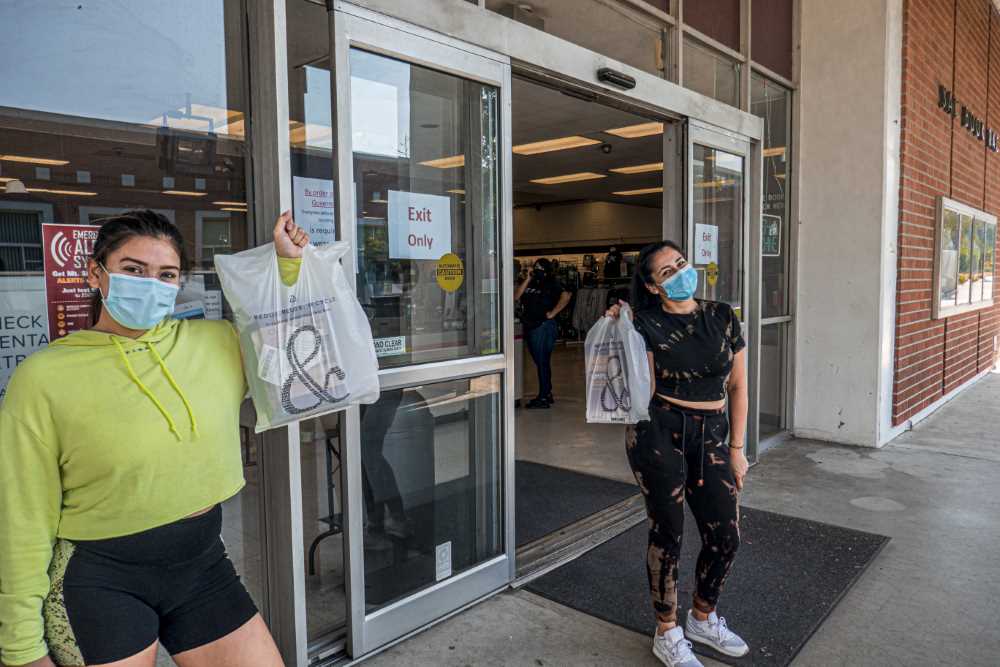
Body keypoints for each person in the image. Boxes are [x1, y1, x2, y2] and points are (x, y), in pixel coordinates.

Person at [0, 210, 310, 667]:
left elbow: (297, 339)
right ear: (94, 273)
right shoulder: (42, 379)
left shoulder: (218, 343)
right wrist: (21, 647)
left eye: (166, 274)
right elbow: (22, 517)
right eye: (132, 270)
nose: (151, 284)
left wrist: (289, 265)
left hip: (203, 566)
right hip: (101, 580)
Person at [607, 240, 749, 667]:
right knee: (668, 533)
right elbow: (638, 389)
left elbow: (739, 386)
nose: (680, 273)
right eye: (667, 272)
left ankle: (702, 618)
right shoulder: (644, 324)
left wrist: (738, 449)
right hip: (659, 434)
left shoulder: (722, 316)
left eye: (680, 264)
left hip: (713, 438)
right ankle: (666, 631)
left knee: (725, 534)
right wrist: (619, 328)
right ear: (651, 286)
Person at [514, 258, 571, 409]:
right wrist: (527, 279)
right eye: (535, 266)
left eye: (539, 267)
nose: (536, 269)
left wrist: (553, 313)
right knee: (540, 362)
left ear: (546, 270)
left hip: (544, 326)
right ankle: (547, 393)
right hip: (531, 326)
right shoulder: (531, 282)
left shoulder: (552, 282)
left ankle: (544, 396)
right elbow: (516, 297)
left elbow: (566, 296)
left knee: (542, 362)